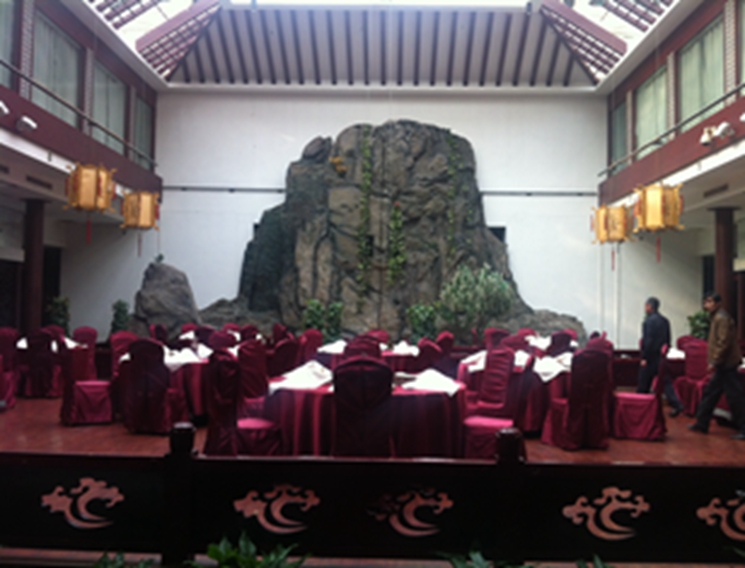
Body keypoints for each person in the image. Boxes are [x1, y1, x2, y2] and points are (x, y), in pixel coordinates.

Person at [689, 292, 745, 440]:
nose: (706, 305)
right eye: (705, 302)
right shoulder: (715, 317)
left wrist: (714, 361)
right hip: (723, 365)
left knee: (735, 397)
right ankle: (702, 422)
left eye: (709, 302)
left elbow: (723, 342)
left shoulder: (722, 318)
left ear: (718, 303)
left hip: (726, 365)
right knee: (710, 393)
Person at [637, 297, 684, 417]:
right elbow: (668, 340)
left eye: (646, 306)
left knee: (643, 384)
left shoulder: (648, 322)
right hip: (661, 357)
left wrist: (645, 357)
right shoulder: (665, 321)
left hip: (650, 357)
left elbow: (648, 341)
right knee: (665, 382)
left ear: (650, 306)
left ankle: (640, 408)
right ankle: (677, 403)